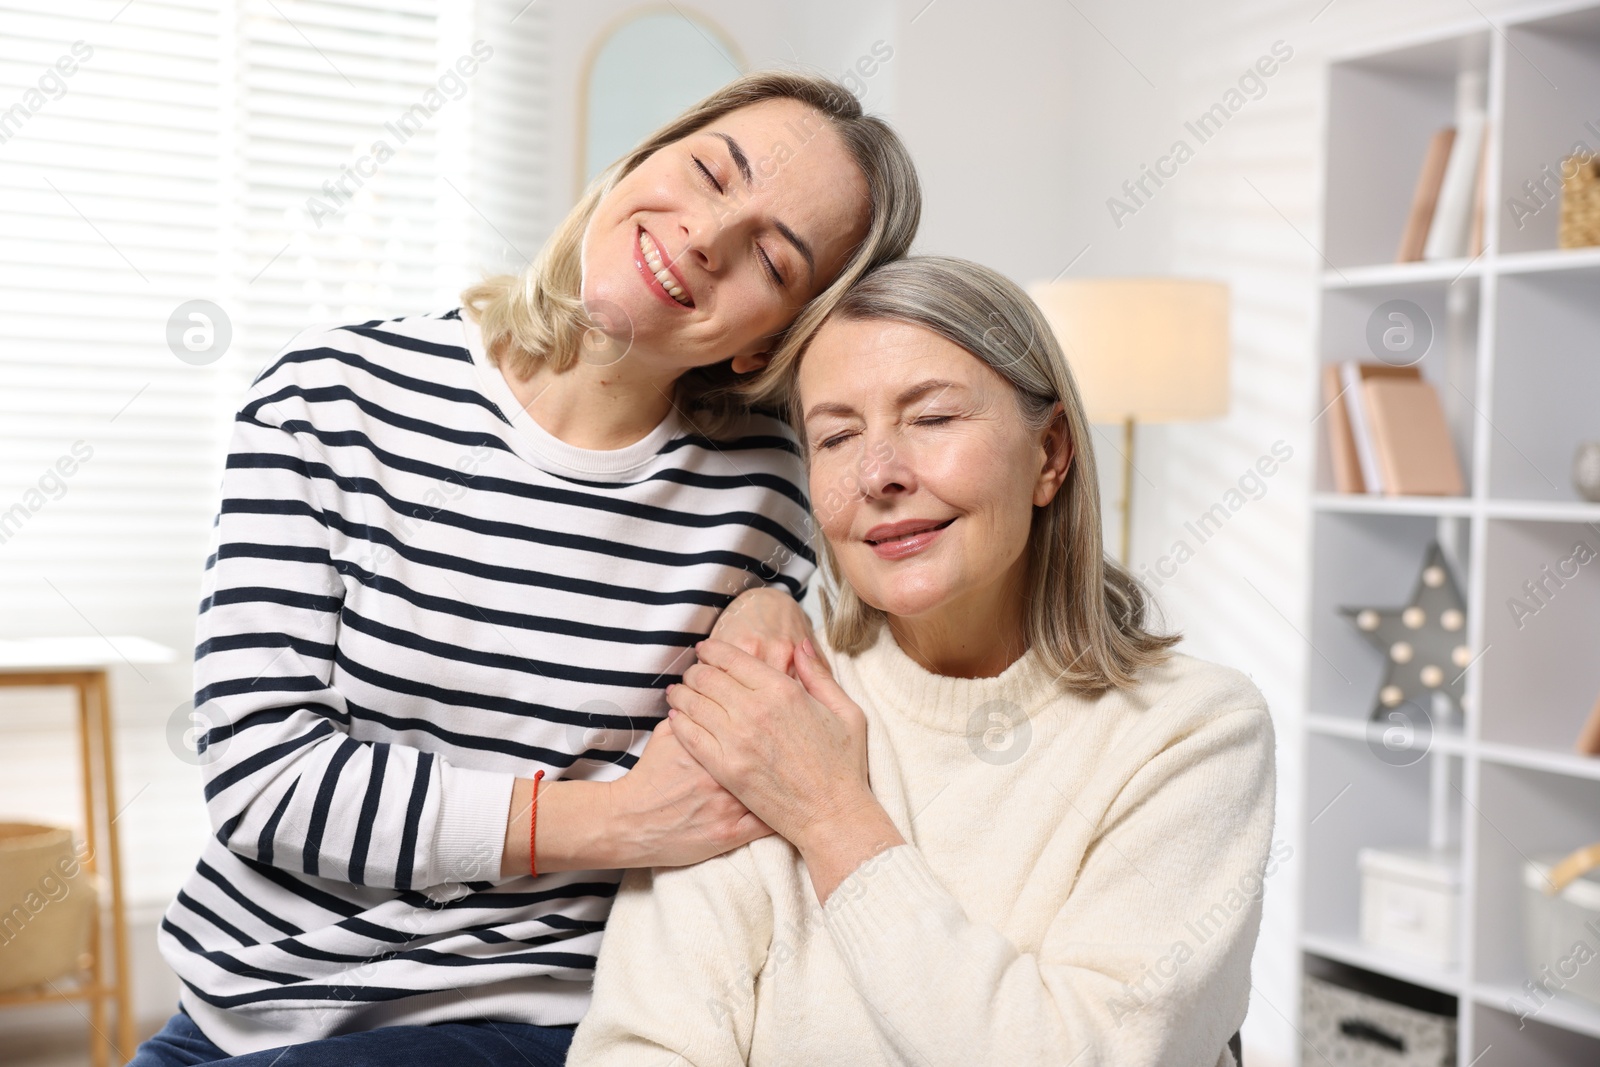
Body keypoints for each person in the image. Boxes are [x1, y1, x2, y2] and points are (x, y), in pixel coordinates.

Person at [128, 72, 921, 1067]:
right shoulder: (327, 400)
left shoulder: (775, 499)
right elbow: (261, 778)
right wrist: (615, 820)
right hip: (234, 1012)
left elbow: (919, 642)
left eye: (770, 256)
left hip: (533, 1024)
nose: (710, 235)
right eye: (710, 170)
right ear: (639, 159)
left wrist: (769, 602)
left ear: (776, 337)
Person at [568, 256, 1276, 1067]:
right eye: (836, 436)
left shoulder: (1194, 733)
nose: (879, 475)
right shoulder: (763, 690)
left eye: (933, 419)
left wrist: (832, 813)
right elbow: (644, 1044)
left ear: (1049, 455)